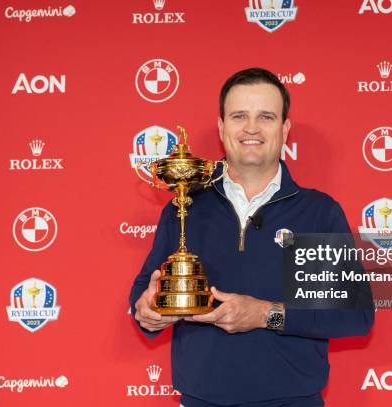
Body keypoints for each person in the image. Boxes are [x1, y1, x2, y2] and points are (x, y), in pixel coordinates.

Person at [129, 67, 374, 407]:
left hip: (292, 401)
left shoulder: (317, 212)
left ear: (285, 129)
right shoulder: (185, 206)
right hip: (202, 400)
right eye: (239, 116)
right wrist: (148, 311)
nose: (251, 129)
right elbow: (143, 298)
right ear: (221, 127)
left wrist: (264, 314)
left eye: (266, 117)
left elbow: (353, 316)